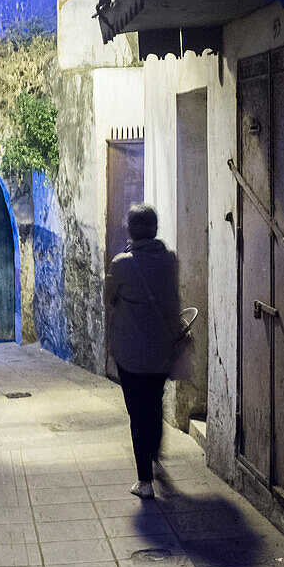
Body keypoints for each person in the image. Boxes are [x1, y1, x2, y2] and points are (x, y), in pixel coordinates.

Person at [104, 203, 180, 499]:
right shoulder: (170, 259)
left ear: (130, 230)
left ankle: (144, 481)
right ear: (155, 229)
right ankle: (155, 457)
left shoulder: (121, 263)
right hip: (162, 349)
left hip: (131, 352)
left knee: (137, 411)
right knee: (155, 401)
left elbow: (108, 298)